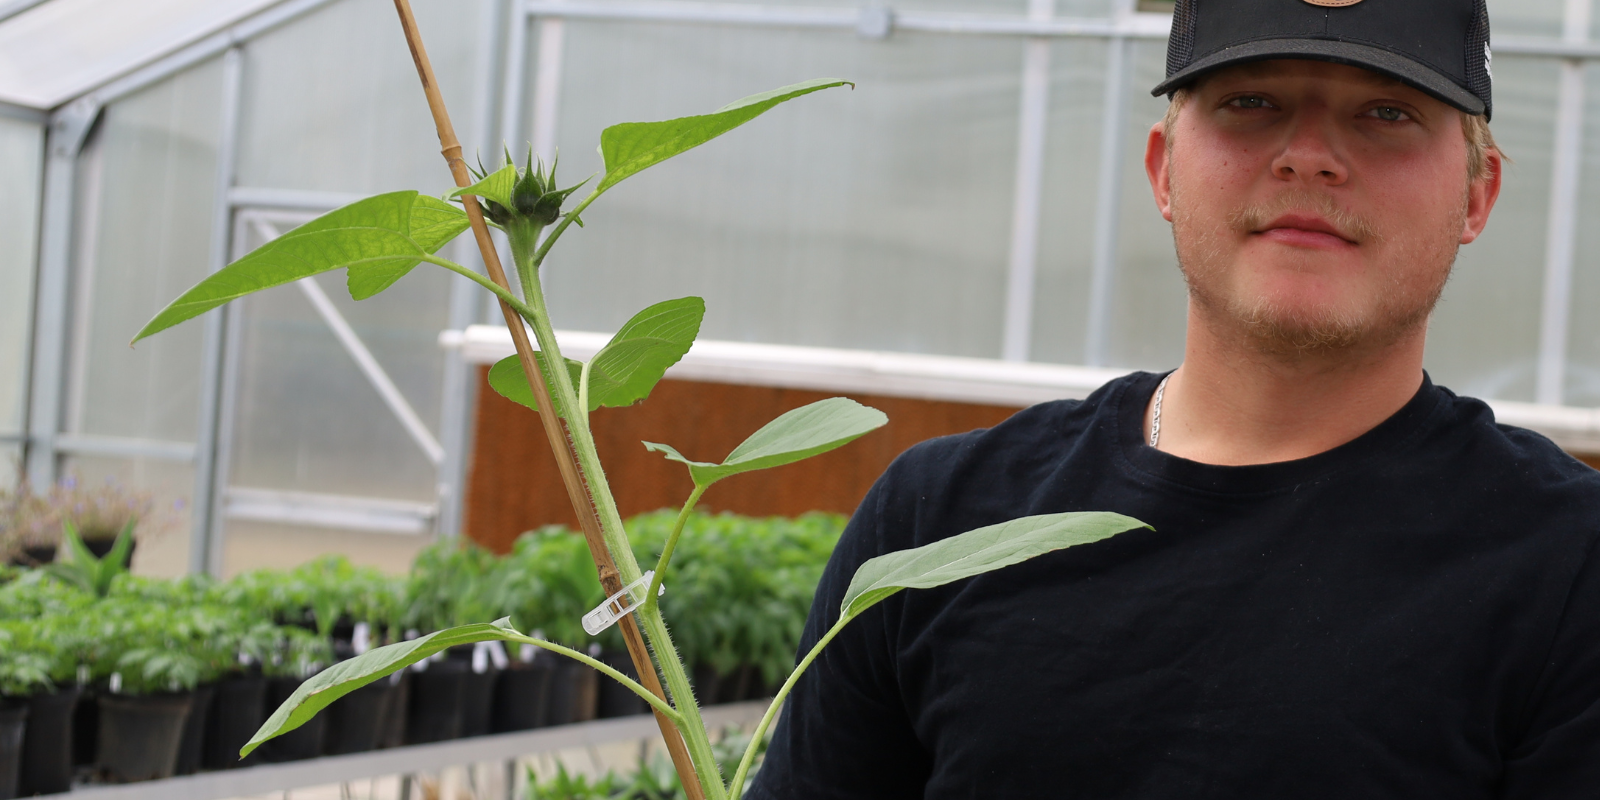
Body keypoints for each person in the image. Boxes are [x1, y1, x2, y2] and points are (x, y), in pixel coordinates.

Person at [747, 0, 1600, 796]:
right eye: (1252, 100)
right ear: (1163, 172)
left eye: (1387, 114)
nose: (1309, 154)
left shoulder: (1568, 567)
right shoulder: (940, 523)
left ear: (1475, 196)